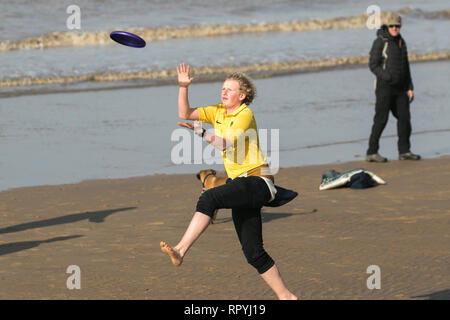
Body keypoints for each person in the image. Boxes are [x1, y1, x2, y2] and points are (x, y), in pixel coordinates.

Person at [160, 63, 297, 300]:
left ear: (242, 96)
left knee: (209, 196)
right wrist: (183, 87)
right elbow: (185, 113)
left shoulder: (245, 114)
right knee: (253, 253)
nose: (223, 92)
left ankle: (181, 249)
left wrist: (202, 132)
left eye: (229, 89)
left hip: (259, 182)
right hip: (241, 187)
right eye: (222, 88)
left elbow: (224, 143)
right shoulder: (217, 111)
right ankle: (287, 297)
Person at [366, 14, 421, 162]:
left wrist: (410, 87)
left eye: (397, 26)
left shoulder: (402, 42)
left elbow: (406, 66)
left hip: (401, 89)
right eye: (392, 26)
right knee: (381, 120)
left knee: (405, 119)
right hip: (384, 88)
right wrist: (387, 77)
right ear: (387, 27)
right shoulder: (380, 42)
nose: (395, 28)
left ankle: (404, 151)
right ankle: (371, 152)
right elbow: (373, 65)